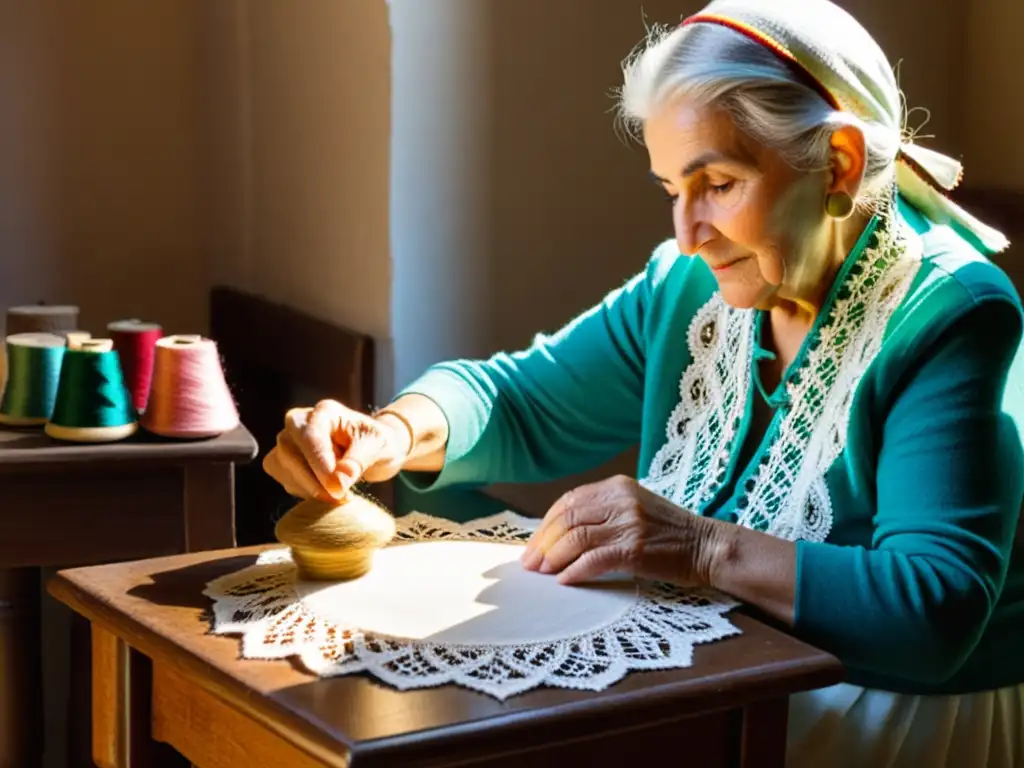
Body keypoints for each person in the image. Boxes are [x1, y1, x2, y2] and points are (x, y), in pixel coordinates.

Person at [263, 0, 1024, 764]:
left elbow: (934, 610)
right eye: (671, 190)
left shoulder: (953, 312)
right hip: (727, 682)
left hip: (888, 718)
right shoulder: (687, 287)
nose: (686, 233)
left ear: (839, 164)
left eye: (718, 183)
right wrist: (389, 432)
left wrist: (698, 547)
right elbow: (519, 401)